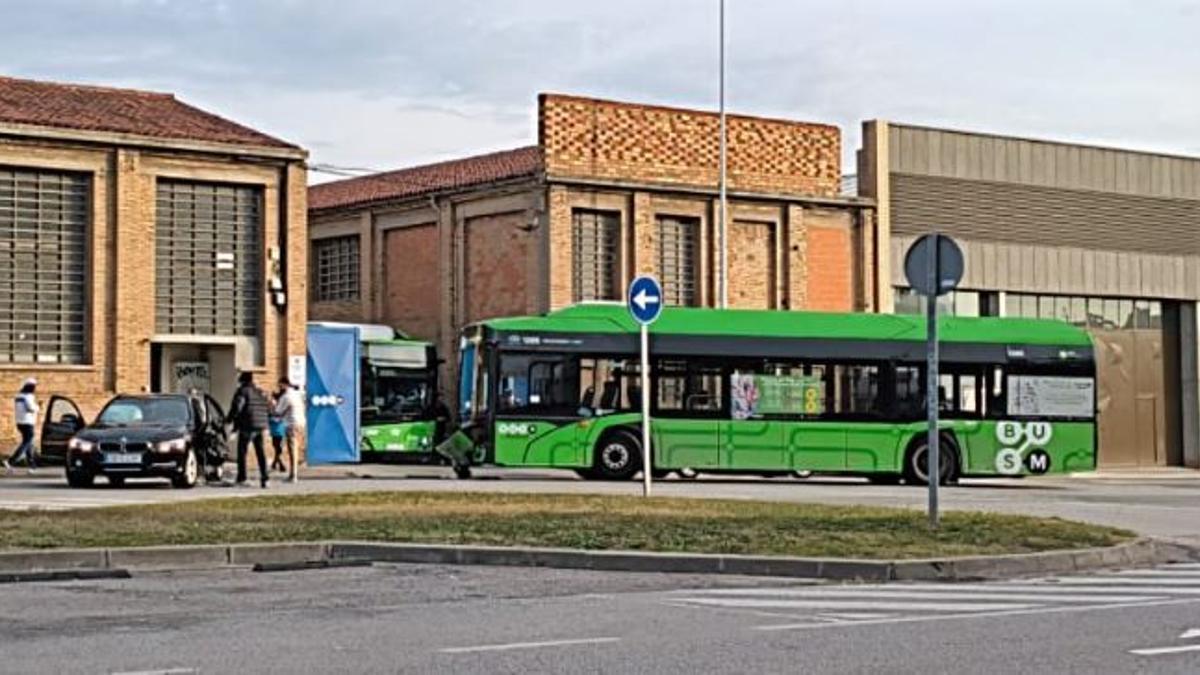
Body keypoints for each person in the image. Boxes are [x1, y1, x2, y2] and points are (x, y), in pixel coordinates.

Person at [227, 371, 271, 488]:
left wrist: (229, 420)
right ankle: (265, 478)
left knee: (242, 452)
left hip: (247, 425)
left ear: (242, 381)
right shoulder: (260, 392)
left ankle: (242, 477)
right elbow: (267, 407)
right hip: (261, 426)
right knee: (261, 453)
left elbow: (237, 407)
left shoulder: (243, 391)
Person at [271, 377, 304, 483]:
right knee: (296, 448)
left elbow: (277, 412)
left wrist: (272, 405)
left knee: (292, 449)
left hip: (291, 424)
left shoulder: (286, 397)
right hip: (301, 423)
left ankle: (293, 475)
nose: (279, 388)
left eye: (280, 385)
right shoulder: (296, 394)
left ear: (284, 384)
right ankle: (293, 473)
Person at [6, 378, 38, 474]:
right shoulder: (28, 396)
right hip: (28, 422)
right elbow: (31, 409)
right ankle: (11, 461)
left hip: (20, 422)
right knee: (26, 443)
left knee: (29, 443)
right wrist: (38, 407)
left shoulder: (18, 396)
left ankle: (32, 466)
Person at [268, 382, 287, 473]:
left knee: (277, 447)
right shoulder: (279, 405)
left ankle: (276, 463)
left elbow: (270, 415)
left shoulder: (275, 406)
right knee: (277, 447)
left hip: (277, 428)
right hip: (279, 428)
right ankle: (278, 463)